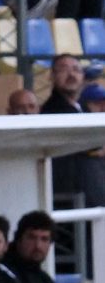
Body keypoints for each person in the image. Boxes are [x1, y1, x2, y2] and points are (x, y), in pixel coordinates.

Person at [41, 54, 105, 208]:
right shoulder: (52, 110)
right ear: (52, 76)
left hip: (91, 191)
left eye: (76, 69)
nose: (71, 74)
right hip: (70, 195)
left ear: (83, 76)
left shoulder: (82, 108)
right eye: (64, 69)